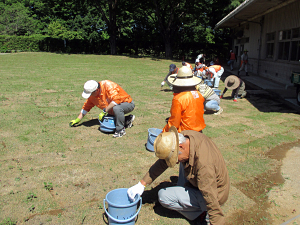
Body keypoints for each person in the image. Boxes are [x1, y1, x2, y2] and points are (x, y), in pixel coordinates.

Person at [127, 126, 230, 225]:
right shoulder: (184, 138)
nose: (174, 162)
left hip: (216, 194)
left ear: (181, 147)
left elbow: (209, 195)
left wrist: (215, 221)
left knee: (164, 197)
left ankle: (201, 214)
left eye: (174, 158)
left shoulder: (204, 165)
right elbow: (163, 163)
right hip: (205, 183)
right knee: (181, 164)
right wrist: (142, 183)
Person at [69, 80, 135, 138]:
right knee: (109, 120)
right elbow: (86, 108)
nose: (90, 96)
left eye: (91, 93)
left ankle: (120, 130)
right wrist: (77, 120)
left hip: (127, 104)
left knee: (116, 108)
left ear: (96, 90)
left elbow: (116, 100)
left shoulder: (108, 85)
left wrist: (104, 111)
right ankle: (127, 119)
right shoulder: (92, 96)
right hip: (112, 109)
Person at [163, 66, 206, 133]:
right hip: (199, 130)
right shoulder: (198, 94)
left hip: (186, 132)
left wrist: (164, 132)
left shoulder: (179, 98)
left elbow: (174, 123)